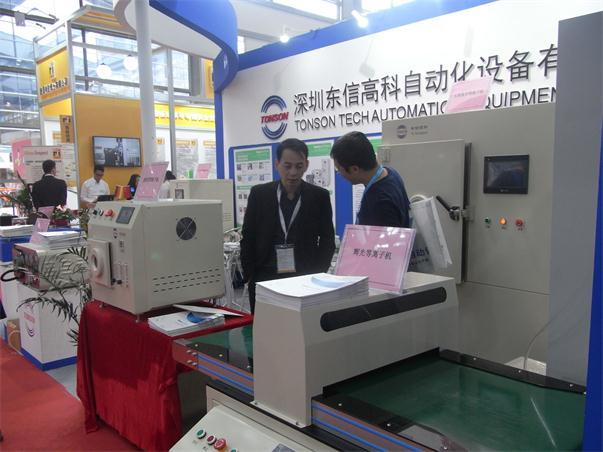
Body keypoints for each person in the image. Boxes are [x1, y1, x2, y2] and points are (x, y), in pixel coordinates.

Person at [240, 138, 335, 313]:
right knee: (265, 325)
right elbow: (248, 236)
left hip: (305, 278)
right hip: (265, 277)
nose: (293, 172)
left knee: (302, 326)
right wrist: (250, 275)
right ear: (277, 164)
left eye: (299, 166)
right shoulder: (259, 194)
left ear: (306, 165)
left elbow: (327, 239)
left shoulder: (319, 196)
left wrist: (318, 273)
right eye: (287, 166)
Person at [331, 131, 410, 227]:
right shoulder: (390, 172)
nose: (339, 174)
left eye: (339, 169)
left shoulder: (380, 201)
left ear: (355, 169)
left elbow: (388, 236)